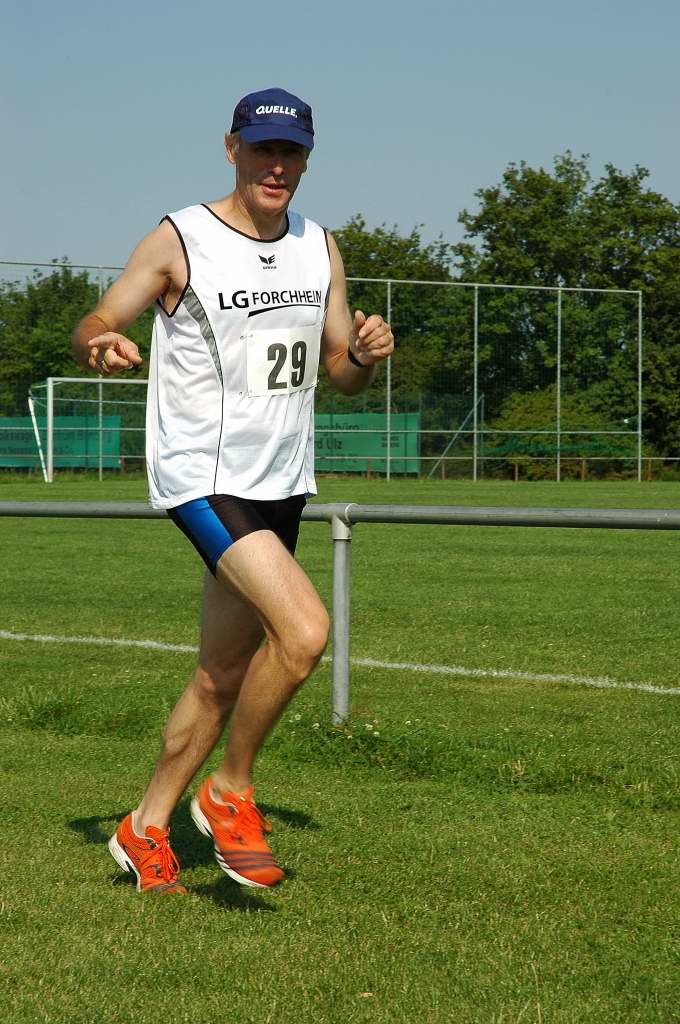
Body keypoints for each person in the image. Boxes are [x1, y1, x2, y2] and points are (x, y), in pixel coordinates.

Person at [72, 87, 394, 894]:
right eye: (262, 150)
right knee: (305, 632)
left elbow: (341, 372)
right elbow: (96, 320)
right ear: (232, 149)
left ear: (306, 160)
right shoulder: (180, 238)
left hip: (281, 481)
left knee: (222, 672)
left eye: (291, 154)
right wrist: (101, 343)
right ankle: (229, 790)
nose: (276, 166)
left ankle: (145, 826)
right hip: (203, 476)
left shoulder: (320, 247)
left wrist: (364, 353)